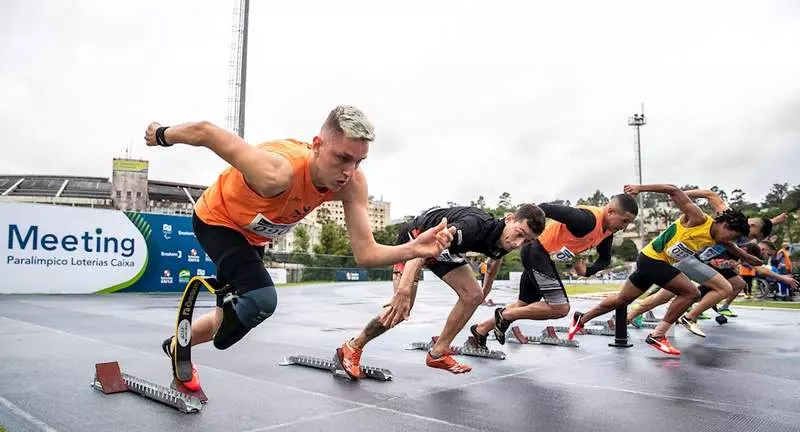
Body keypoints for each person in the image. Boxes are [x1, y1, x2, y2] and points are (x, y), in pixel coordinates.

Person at [144, 106, 455, 390]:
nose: (349, 171)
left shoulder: (352, 183)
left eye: (358, 161)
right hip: (217, 220)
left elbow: (367, 254)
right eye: (342, 158)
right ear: (317, 146)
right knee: (261, 300)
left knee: (233, 316)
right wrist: (160, 134)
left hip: (253, 235)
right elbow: (206, 132)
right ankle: (227, 310)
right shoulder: (278, 172)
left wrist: (416, 248)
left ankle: (176, 346)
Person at [338, 204, 546, 378]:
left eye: (527, 241)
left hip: (441, 250)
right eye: (519, 234)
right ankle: (352, 347)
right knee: (401, 310)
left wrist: (484, 292)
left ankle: (437, 354)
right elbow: (420, 252)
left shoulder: (505, 240)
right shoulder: (474, 226)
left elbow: (494, 262)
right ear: (509, 219)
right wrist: (403, 291)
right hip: (416, 240)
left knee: (473, 296)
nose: (519, 243)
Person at [567, 184, 750, 355]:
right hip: (653, 260)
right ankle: (658, 335)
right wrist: (640, 188)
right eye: (731, 236)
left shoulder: (717, 237)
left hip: (650, 260)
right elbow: (673, 190)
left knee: (621, 300)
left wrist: (748, 258)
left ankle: (581, 319)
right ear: (724, 225)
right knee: (691, 293)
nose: (729, 241)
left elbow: (731, 247)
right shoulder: (698, 218)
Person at [469, 195, 639, 346]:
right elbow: (545, 208)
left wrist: (587, 271)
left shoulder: (607, 231)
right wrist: (524, 234)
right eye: (624, 221)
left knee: (524, 305)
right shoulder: (587, 220)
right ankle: (504, 316)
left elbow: (605, 258)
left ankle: (482, 329)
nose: (624, 227)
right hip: (536, 251)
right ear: (610, 212)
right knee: (560, 308)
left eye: (628, 223)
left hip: (540, 256)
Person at [630, 190, 787, 322]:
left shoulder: (743, 233)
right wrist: (684, 196)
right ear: (751, 226)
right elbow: (710, 195)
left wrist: (774, 222)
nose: (747, 238)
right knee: (723, 288)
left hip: (693, 259)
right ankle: (688, 318)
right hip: (690, 258)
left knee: (666, 296)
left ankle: (632, 316)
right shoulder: (728, 217)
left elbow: (747, 235)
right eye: (753, 235)